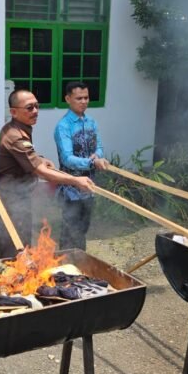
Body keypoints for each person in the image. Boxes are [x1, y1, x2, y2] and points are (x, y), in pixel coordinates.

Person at [0, 89, 94, 258]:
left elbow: (26, 157)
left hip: (21, 199)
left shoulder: (19, 128)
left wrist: (38, 158)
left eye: (36, 106)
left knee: (23, 248)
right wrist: (76, 181)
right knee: (14, 254)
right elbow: (42, 173)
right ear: (13, 112)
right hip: (10, 202)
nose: (35, 111)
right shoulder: (15, 135)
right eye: (29, 108)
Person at [54, 81, 109, 251]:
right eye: (79, 98)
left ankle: (80, 265)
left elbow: (99, 146)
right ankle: (66, 266)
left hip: (89, 187)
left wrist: (97, 155)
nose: (84, 101)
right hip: (71, 189)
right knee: (70, 230)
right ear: (68, 99)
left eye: (86, 97)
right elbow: (67, 158)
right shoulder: (63, 126)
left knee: (83, 229)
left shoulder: (91, 122)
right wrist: (92, 162)